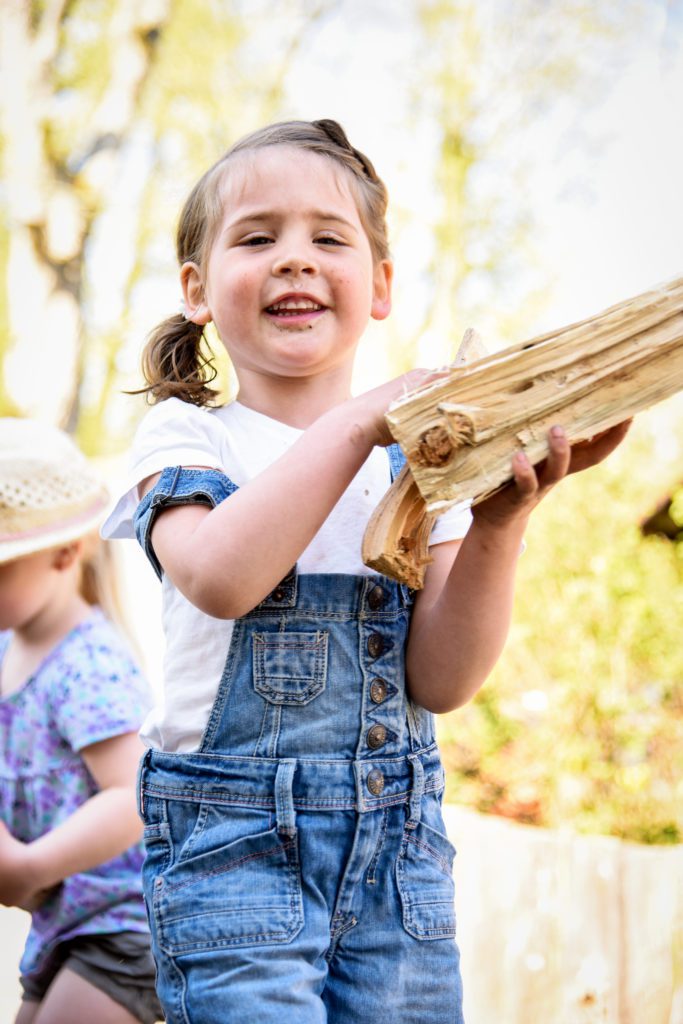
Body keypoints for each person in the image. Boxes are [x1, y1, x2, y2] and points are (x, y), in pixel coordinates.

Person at [102, 118, 629, 1024]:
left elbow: (441, 678)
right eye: (258, 237)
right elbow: (221, 578)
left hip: (401, 864)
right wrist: (356, 426)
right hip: (235, 859)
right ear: (198, 289)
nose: (295, 260)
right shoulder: (191, 436)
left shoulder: (418, 468)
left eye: (328, 238)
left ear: (379, 286)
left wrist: (503, 516)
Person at [0, 418, 163, 1024]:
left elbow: (132, 797)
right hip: (67, 919)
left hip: (124, 925)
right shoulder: (7, 651)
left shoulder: (87, 663)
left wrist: (28, 868)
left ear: (66, 553)